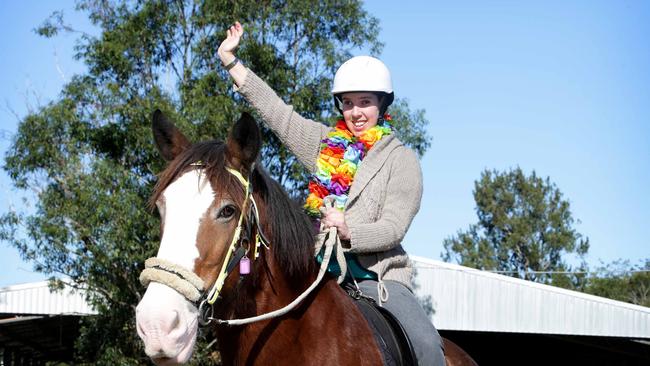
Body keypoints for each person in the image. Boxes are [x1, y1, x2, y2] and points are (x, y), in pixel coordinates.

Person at [218, 22, 444, 366]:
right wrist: (232, 63)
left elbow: (394, 227)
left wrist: (350, 230)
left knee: (427, 344)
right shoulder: (326, 145)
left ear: (382, 105)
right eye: (348, 103)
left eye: (365, 103)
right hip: (321, 273)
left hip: (379, 282)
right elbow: (279, 115)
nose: (355, 113)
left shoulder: (402, 160)